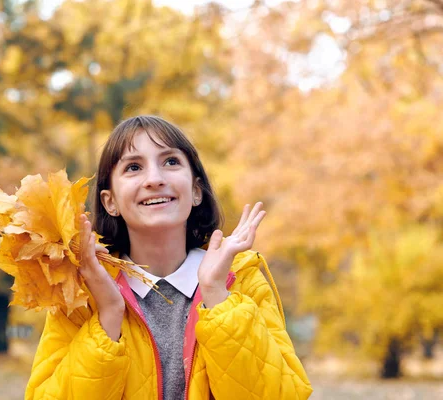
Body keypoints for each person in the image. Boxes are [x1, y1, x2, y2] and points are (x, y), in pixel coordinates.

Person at [25, 115, 313, 400]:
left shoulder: (241, 281)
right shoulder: (81, 294)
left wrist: (216, 295)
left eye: (171, 162)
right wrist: (109, 314)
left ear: (196, 191)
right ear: (109, 202)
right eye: (134, 167)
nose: (154, 179)